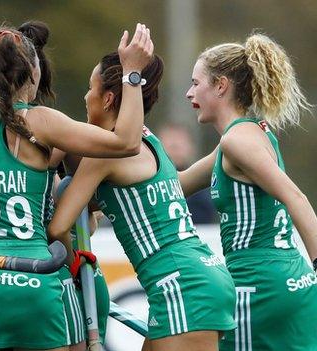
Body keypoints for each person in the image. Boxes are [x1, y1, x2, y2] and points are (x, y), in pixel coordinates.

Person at [0, 23, 154, 351]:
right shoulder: (43, 122)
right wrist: (132, 73)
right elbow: (127, 142)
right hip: (36, 283)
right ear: (31, 76)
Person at [47, 51, 236, 351]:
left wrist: (74, 267)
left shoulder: (104, 155)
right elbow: (118, 205)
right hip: (201, 275)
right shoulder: (152, 142)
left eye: (90, 88)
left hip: (180, 285)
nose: (85, 97)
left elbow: (58, 228)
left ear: (107, 99)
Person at [181, 33, 317, 350]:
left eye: (196, 83)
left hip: (259, 290)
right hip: (288, 284)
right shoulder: (243, 137)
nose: (188, 92)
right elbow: (175, 186)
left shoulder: (238, 141)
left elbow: (295, 197)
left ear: (221, 85)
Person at [157, 123, 217, 223]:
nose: (175, 147)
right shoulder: (150, 187)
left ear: (191, 148)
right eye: (171, 144)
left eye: (179, 144)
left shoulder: (204, 187)